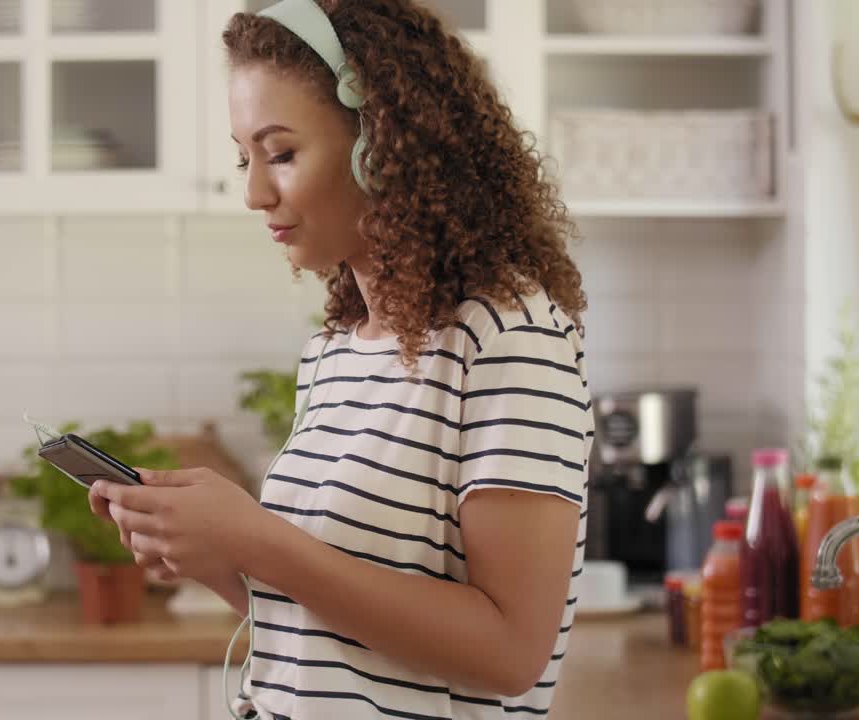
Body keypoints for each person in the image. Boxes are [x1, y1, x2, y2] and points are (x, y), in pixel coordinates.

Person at [86, 0, 592, 717]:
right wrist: (216, 559)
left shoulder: (508, 339)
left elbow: (510, 653)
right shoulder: (335, 353)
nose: (253, 193)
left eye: (281, 154)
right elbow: (326, 631)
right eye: (244, 158)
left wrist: (256, 538)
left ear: (381, 147)